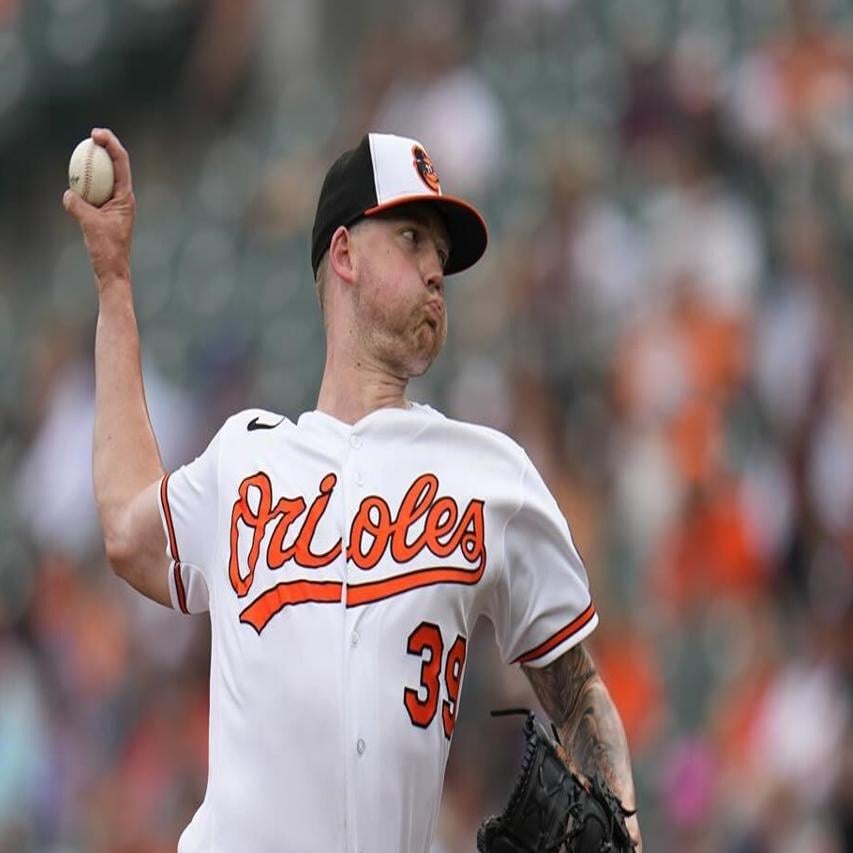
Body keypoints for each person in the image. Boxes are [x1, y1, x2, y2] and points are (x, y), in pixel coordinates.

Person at [63, 128, 643, 852]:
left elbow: (579, 689)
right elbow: (125, 523)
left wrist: (624, 825)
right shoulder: (247, 457)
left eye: (441, 255)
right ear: (343, 254)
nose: (436, 269)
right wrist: (114, 281)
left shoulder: (491, 475)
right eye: (411, 238)